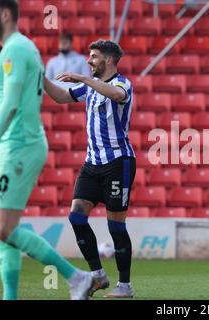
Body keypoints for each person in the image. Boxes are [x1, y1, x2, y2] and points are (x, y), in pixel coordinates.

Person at [0, 0, 93, 300]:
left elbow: (12, 102)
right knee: (3, 226)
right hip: (18, 143)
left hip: (20, 144)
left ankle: (76, 277)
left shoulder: (15, 48)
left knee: (3, 228)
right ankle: (11, 297)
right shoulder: (23, 48)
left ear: (4, 14)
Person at [43, 39, 136, 298]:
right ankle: (97, 274)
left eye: (93, 56)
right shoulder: (91, 88)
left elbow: (118, 95)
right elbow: (62, 96)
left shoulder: (121, 83)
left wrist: (83, 78)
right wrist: (41, 78)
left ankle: (125, 286)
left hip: (118, 163)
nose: (88, 60)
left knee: (116, 227)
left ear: (108, 60)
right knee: (76, 216)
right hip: (92, 164)